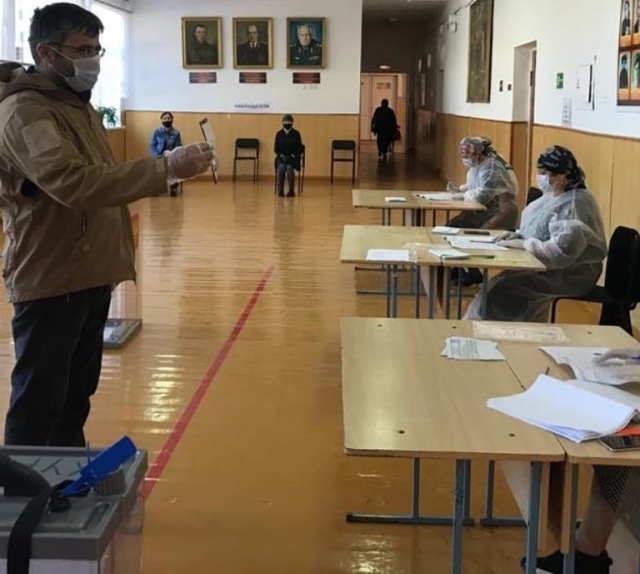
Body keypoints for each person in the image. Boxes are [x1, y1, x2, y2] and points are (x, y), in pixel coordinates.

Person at [0, 2, 213, 447]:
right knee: (38, 406)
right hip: (51, 278)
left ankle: (64, 479)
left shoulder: (75, 105)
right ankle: (21, 486)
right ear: (46, 53)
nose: (92, 60)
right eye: (82, 50)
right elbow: (75, 183)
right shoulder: (26, 112)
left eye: (97, 49)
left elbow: (102, 182)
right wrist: (166, 169)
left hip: (88, 275)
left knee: (74, 400)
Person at [463, 145, 607, 323]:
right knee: (499, 284)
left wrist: (525, 244)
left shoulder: (575, 204)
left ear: (562, 175)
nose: (541, 177)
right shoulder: (553, 196)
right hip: (548, 267)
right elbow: (538, 229)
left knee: (503, 289)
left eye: (545, 173)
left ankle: (496, 330)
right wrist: (519, 236)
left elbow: (560, 253)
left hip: (571, 274)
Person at [446, 136, 519, 286]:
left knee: (465, 233)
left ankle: (474, 272)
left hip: (500, 212)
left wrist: (465, 194)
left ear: (478, 152)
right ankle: (458, 265)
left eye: (468, 156)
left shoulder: (491, 168)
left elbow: (481, 196)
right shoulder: (477, 167)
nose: (466, 159)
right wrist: (459, 190)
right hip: (486, 209)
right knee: (451, 226)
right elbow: (472, 188)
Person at [150, 111, 182, 196]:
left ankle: (173, 187)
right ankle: (157, 188)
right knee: (155, 166)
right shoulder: (157, 131)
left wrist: (171, 153)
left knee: (174, 165)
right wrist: (156, 155)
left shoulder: (176, 133)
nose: (166, 120)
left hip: (171, 156)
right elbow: (152, 145)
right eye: (164, 118)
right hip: (159, 156)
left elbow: (178, 146)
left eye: (168, 118)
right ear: (161, 120)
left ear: (172, 120)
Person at [274, 114, 303, 197]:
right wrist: (281, 155)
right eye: (285, 122)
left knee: (290, 168)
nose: (287, 123)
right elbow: (276, 149)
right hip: (281, 158)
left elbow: (299, 148)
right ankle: (280, 191)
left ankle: (291, 191)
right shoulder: (279, 134)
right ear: (282, 123)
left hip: (293, 158)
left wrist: (293, 155)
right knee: (281, 168)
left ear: (292, 123)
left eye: (289, 122)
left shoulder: (296, 134)